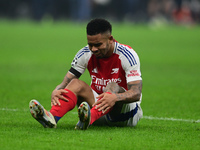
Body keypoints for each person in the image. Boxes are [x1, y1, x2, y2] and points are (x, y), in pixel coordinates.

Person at [29, 18, 143, 130]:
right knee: (75, 83)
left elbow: (136, 93)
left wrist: (115, 97)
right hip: (97, 109)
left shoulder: (127, 55)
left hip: (125, 115)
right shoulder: (85, 53)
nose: (93, 49)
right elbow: (65, 83)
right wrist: (56, 90)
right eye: (90, 44)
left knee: (113, 85)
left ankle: (89, 118)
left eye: (98, 44)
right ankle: (51, 118)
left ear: (110, 39)